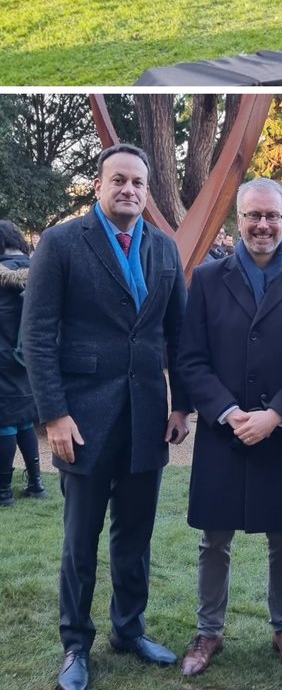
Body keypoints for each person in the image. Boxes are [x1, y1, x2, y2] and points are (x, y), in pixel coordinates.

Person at [21, 144, 190, 690]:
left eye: (139, 183)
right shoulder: (63, 242)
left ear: (148, 191)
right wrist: (54, 415)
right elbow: (37, 336)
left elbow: (178, 336)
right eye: (118, 180)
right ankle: (75, 644)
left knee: (134, 537)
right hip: (84, 419)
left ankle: (128, 628)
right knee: (80, 540)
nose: (130, 190)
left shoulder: (163, 249)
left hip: (146, 419)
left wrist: (182, 403)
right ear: (98, 186)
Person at [176, 177, 282, 678]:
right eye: (253, 216)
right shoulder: (206, 278)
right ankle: (209, 631)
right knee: (213, 540)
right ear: (237, 219)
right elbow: (191, 359)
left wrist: (275, 415)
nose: (262, 225)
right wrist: (226, 410)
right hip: (225, 431)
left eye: (272, 216)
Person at [0, 219, 44, 507]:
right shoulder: (40, 271)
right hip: (30, 359)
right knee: (25, 419)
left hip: (2, 357)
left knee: (4, 423)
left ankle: (3, 491)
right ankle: (36, 484)